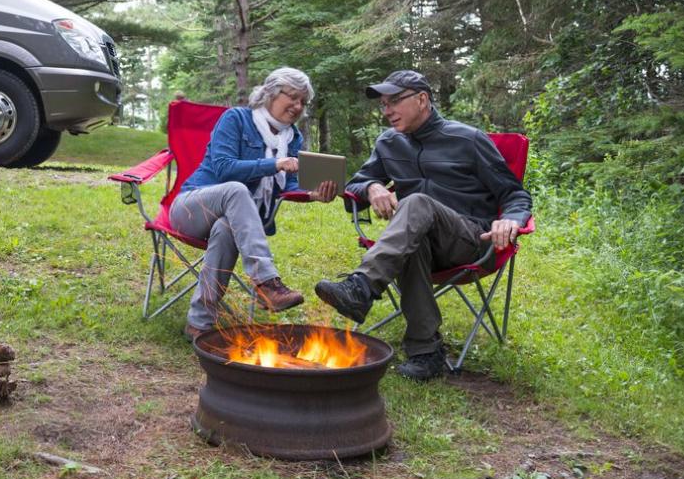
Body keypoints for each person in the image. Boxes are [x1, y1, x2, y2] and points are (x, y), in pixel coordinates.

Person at [313, 70, 532, 380]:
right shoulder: (389, 143)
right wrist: (373, 186)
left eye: (394, 102)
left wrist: (510, 220)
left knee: (414, 202)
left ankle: (361, 287)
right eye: (383, 105)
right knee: (412, 238)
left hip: (470, 241)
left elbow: (514, 194)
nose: (387, 111)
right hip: (415, 240)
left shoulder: (468, 139)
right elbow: (358, 185)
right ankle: (425, 352)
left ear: (422, 99)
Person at [172, 68, 337, 340]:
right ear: (271, 93)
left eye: (303, 102)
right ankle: (266, 283)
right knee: (237, 190)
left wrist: (312, 194)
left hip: (232, 220)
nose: (297, 106)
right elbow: (224, 168)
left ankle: (199, 323)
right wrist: (274, 164)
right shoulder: (236, 119)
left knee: (227, 229)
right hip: (191, 208)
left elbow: (290, 185)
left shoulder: (292, 138)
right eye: (293, 97)